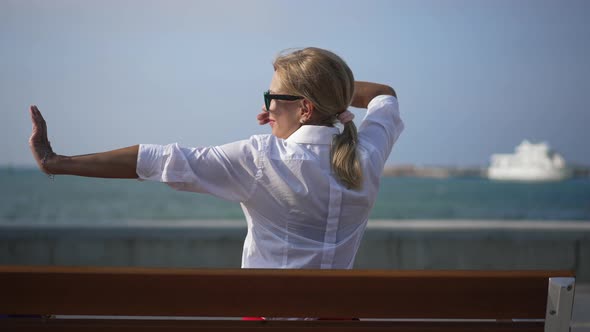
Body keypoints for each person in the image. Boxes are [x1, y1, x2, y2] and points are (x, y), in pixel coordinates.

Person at [29, 47, 404, 271]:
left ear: (304, 108)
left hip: (266, 319)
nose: (266, 106)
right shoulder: (367, 154)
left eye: (272, 97)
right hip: (339, 320)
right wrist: (326, 100)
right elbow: (384, 95)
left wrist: (55, 161)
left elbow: (156, 160)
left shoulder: (260, 158)